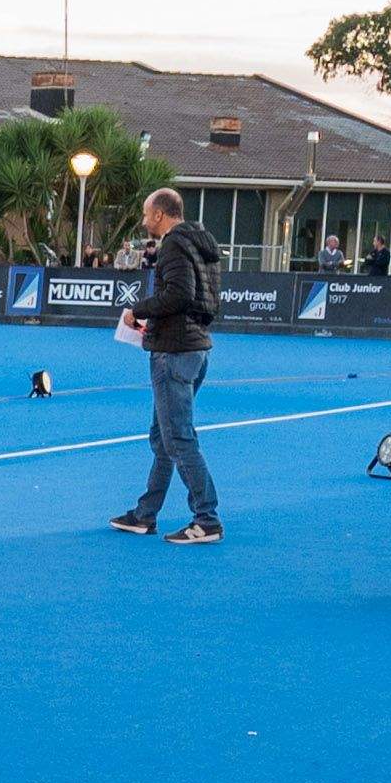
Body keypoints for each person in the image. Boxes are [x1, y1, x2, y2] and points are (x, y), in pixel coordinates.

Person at [107, 186, 222, 544]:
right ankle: (145, 514)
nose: (144, 221)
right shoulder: (201, 244)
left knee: (178, 438)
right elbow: (202, 299)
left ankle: (207, 519)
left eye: (146, 214)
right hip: (195, 347)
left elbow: (178, 295)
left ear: (159, 214)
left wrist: (138, 310)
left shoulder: (173, 245)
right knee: (164, 438)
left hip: (175, 352)